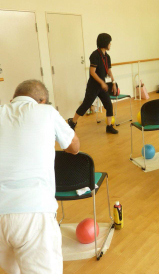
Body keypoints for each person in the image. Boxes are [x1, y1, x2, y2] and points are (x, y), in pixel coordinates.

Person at [0, 80, 80, 273]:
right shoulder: (47, 112)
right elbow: (74, 147)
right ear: (42, 101)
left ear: (13, 100)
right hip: (34, 213)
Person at [68, 33, 118, 134]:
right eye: (109, 42)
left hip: (102, 86)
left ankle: (109, 126)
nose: (110, 44)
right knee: (86, 104)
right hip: (93, 85)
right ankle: (72, 122)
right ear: (105, 43)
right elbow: (92, 72)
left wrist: (113, 82)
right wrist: (102, 83)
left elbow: (109, 71)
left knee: (108, 104)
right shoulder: (95, 55)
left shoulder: (107, 57)